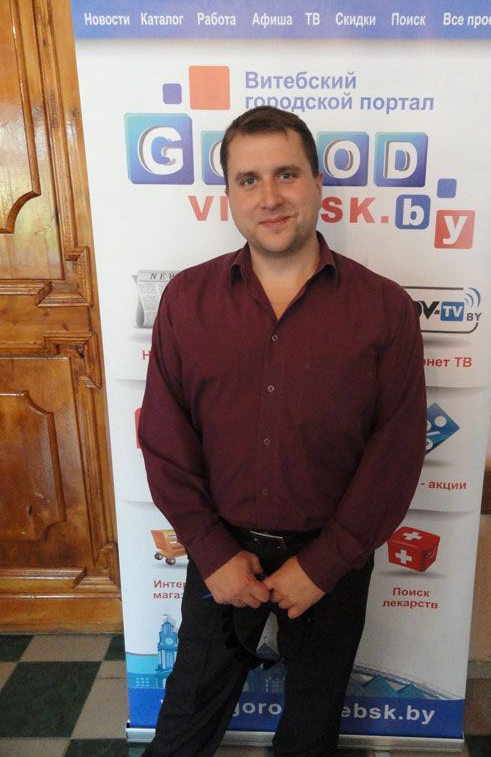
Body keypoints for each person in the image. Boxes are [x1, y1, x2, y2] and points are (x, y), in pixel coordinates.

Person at [138, 105, 427, 757]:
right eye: (249, 179)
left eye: (286, 174)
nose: (269, 197)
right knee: (183, 726)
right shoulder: (187, 301)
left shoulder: (383, 308)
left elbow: (396, 450)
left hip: (332, 562)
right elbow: (164, 438)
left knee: (310, 731)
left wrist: (325, 563)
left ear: (318, 183)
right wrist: (211, 552)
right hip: (221, 558)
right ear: (229, 195)